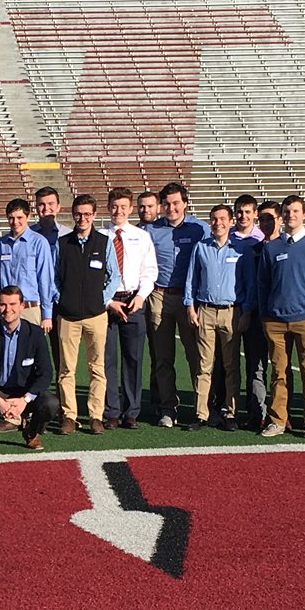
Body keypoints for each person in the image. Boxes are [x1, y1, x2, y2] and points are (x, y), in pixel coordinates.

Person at [257, 195, 305, 438]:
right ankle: (278, 419)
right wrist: (266, 314)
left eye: (296, 211)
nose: (291, 215)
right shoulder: (272, 247)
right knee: (279, 372)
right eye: (287, 211)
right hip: (276, 322)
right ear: (282, 216)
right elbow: (263, 284)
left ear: (304, 215)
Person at [184, 201, 253, 428]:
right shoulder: (201, 247)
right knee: (204, 366)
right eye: (214, 219)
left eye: (223, 219)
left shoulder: (241, 249)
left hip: (231, 312)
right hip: (205, 311)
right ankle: (201, 413)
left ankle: (230, 412)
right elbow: (191, 279)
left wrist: (246, 312)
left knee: (231, 366)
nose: (218, 223)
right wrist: (190, 306)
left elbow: (248, 283)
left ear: (231, 222)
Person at [147, 181, 206, 427]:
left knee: (196, 356)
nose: (172, 208)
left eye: (176, 203)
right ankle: (167, 408)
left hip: (188, 298)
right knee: (162, 357)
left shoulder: (200, 229)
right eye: (167, 203)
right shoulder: (151, 230)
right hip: (160, 295)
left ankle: (202, 407)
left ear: (185, 203)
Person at [0, 286, 55, 450]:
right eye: (3, 304)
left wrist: (25, 400)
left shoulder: (35, 334)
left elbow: (46, 373)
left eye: (13, 304)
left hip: (24, 392)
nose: (8, 309)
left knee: (50, 403)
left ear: (22, 306)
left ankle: (32, 432)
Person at [52, 194, 110, 434]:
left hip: (96, 315)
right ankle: (69, 416)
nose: (83, 218)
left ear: (94, 215)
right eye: (78, 214)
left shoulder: (104, 242)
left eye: (87, 214)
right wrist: (60, 298)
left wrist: (102, 300)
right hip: (68, 316)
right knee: (67, 369)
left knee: (97, 368)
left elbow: (113, 275)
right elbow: (54, 277)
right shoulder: (62, 243)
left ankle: (95, 416)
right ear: (72, 215)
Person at [103, 187, 159, 429]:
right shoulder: (100, 235)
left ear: (130, 209)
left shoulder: (141, 236)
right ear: (108, 208)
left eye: (123, 207)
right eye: (115, 206)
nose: (119, 211)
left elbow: (150, 271)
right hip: (107, 304)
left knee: (133, 359)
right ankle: (111, 411)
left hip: (133, 302)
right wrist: (108, 302)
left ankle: (131, 412)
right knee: (107, 361)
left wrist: (141, 296)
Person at [230, 194, 268, 429]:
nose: (243, 216)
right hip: (231, 308)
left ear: (255, 213)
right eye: (240, 212)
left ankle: (258, 411)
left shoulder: (264, 240)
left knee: (256, 364)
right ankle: (227, 408)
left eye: (247, 212)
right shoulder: (225, 237)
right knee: (228, 362)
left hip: (256, 312)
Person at [0, 198, 58, 324]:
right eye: (11, 218)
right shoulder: (0, 244)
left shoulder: (39, 242)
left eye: (19, 217)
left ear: (28, 217)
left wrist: (47, 315)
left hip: (29, 309)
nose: (15, 222)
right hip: (6, 310)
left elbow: (45, 280)